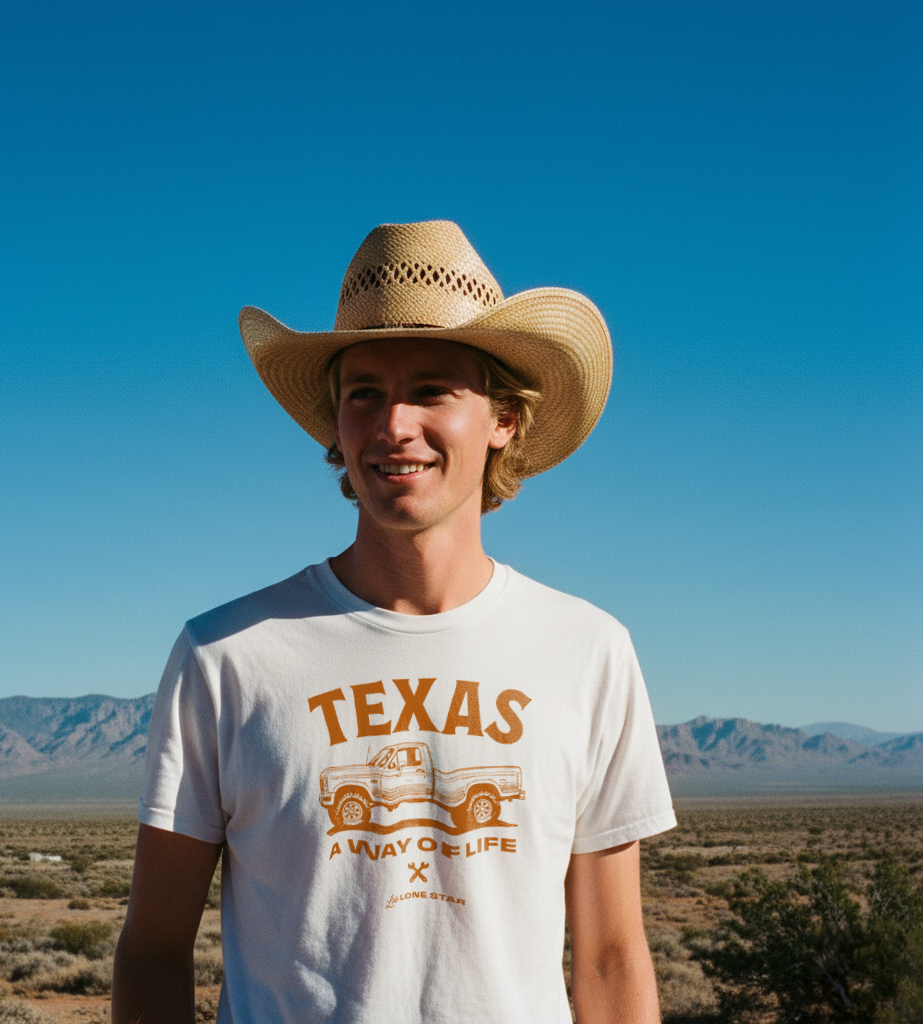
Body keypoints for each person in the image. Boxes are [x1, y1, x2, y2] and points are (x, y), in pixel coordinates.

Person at [112, 221, 676, 1024]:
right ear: (337, 428)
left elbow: (612, 958)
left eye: (433, 390)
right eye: (364, 393)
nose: (393, 425)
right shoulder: (228, 657)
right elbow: (154, 949)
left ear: (505, 418)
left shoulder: (588, 652)